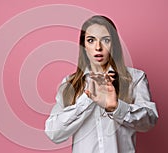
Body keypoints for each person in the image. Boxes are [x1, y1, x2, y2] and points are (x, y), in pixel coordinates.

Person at [44, 15, 158, 153]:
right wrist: (87, 100)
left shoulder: (135, 78)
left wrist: (115, 107)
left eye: (105, 40)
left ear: (114, 44)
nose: (98, 47)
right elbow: (53, 133)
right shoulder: (70, 84)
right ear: (84, 46)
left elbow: (149, 122)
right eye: (91, 40)